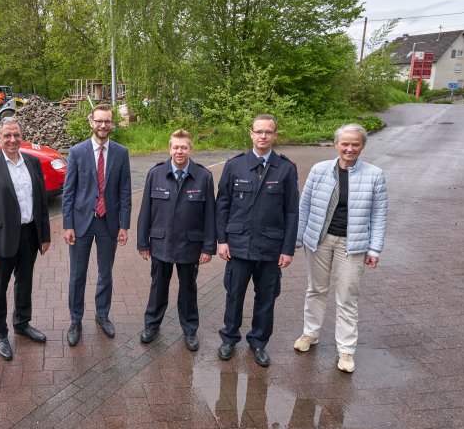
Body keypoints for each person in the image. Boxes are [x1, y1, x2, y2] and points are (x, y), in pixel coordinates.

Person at [293, 123, 388, 373]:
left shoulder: (374, 175)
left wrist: (374, 249)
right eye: (344, 143)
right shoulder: (319, 170)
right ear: (336, 144)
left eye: (355, 144)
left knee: (347, 296)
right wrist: (297, 237)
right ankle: (310, 334)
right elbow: (305, 206)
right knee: (316, 289)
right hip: (320, 239)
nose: (349, 148)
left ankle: (346, 350)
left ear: (362, 146)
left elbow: (379, 215)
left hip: (352, 244)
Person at [216, 114, 299, 366]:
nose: (263, 136)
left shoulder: (286, 168)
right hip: (239, 245)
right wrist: (222, 240)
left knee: (266, 297)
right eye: (259, 131)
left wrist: (288, 248)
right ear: (251, 134)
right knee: (234, 294)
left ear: (275, 135)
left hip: (271, 247)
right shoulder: (234, 165)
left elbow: (291, 211)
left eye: (268, 132)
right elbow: (223, 205)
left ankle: (259, 342)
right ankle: (229, 338)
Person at [0, 117, 51, 361]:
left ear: (22, 136)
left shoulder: (32, 162)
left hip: (29, 234)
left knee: (25, 281)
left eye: (16, 135)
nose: (12, 140)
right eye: (7, 135)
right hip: (0, 239)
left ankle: (22, 322)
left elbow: (41, 202)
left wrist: (45, 234)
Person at [136, 129, 215, 351]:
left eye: (184, 147)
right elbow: (145, 212)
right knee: (158, 286)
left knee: (188, 289)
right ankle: (151, 325)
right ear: (169, 148)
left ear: (191, 149)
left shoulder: (204, 176)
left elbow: (210, 215)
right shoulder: (156, 174)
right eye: (175, 147)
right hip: (161, 243)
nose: (179, 151)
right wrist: (143, 242)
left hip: (190, 244)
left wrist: (208, 247)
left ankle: (190, 329)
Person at [62, 103, 132, 346]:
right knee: (77, 274)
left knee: (105, 273)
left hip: (108, 223)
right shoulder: (77, 152)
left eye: (107, 121)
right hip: (81, 222)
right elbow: (68, 191)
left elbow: (125, 192)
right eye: (99, 121)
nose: (103, 125)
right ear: (91, 122)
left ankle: (102, 315)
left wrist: (124, 225)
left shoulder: (121, 153)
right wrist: (67, 224)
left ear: (112, 124)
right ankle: (75, 320)